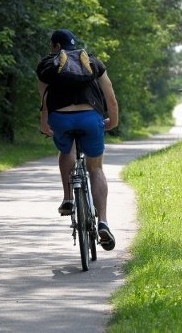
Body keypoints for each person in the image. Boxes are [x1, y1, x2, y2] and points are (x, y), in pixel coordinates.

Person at [37, 29, 119, 251]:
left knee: (66, 152)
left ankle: (68, 199)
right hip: (90, 117)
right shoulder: (90, 61)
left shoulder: (48, 64)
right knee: (96, 168)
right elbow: (110, 95)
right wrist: (113, 121)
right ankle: (102, 221)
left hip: (61, 119)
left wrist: (44, 124)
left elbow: (44, 100)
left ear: (55, 46)